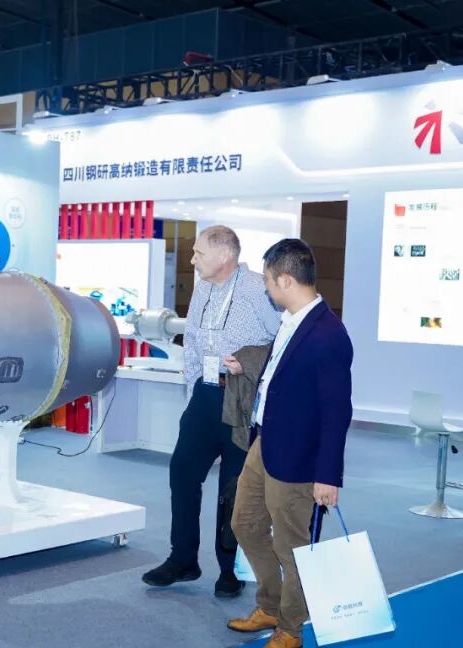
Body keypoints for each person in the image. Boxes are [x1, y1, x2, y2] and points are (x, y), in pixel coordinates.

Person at [224, 238, 353, 648]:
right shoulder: (291, 320)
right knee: (244, 523)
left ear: (285, 279)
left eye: (267, 280)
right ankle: (269, 604)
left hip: (299, 458)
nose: (265, 287)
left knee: (293, 545)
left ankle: (290, 628)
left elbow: (337, 412)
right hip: (265, 442)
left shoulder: (329, 334)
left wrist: (327, 475)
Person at [143, 225, 280, 597]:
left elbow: (280, 341)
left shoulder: (256, 288)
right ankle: (183, 559)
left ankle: (230, 568)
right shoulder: (203, 288)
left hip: (240, 400)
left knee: (233, 487)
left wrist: (252, 375)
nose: (192, 260)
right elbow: (191, 343)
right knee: (182, 473)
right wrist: (192, 394)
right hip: (203, 396)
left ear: (225, 255)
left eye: (199, 253)